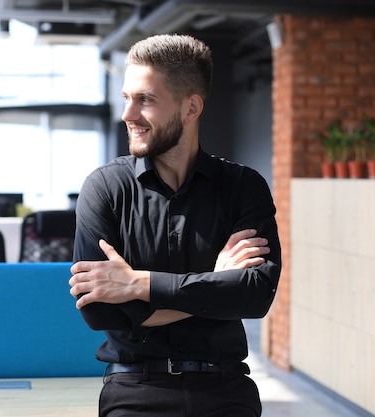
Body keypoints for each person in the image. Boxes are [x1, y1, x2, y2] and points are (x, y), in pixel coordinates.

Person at [69, 34, 281, 417]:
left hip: (225, 389)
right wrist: (214, 284)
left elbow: (254, 295)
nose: (127, 114)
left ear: (191, 107)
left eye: (145, 100)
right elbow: (100, 312)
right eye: (126, 98)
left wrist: (138, 285)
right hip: (134, 389)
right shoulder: (105, 188)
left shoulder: (243, 187)